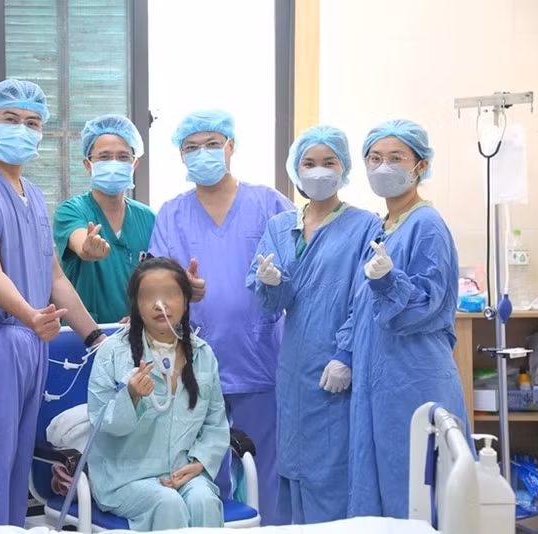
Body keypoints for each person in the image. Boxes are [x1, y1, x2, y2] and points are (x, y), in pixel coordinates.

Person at [0, 79, 104, 527]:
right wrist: (29, 315)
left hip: (32, 341)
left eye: (32, 122)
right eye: (11, 119)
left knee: (17, 467)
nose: (22, 129)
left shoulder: (31, 192)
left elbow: (54, 277)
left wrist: (95, 337)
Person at [149, 110, 294, 525]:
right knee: (202, 469)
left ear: (231, 146)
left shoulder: (268, 203)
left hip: (258, 356)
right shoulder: (172, 213)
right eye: (191, 147)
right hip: (196, 362)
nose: (203, 153)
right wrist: (183, 289)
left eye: (212, 144)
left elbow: (299, 264)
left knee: (267, 466)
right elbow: (156, 284)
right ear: (180, 155)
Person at [246, 126, 381, 524]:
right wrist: (271, 283)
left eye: (328, 162)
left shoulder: (365, 226)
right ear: (295, 169)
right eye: (309, 163)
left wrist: (346, 355)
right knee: (293, 466)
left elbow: (366, 299)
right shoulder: (280, 226)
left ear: (344, 168)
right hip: (293, 367)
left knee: (332, 470)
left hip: (335, 365)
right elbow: (271, 304)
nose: (319, 171)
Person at [345, 119, 471, 518]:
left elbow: (427, 305)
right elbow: (363, 308)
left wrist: (389, 283)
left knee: (420, 490)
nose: (383, 167)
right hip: (380, 380)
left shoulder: (426, 225)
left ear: (421, 165)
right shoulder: (383, 227)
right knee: (382, 487)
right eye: (375, 158)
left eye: (396, 158)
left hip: (413, 379)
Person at [87, 256, 229, 531]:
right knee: (167, 503)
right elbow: (101, 423)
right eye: (148, 295)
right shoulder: (112, 353)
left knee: (203, 500)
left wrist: (200, 462)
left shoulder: (203, 355)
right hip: (124, 477)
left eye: (169, 294)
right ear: (135, 304)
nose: (159, 304)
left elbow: (215, 423)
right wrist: (131, 396)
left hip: (181, 470)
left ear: (185, 301)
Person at [53, 114, 155, 323]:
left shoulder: (148, 218)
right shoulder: (71, 211)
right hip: (82, 333)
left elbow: (158, 278)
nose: (114, 163)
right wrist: (87, 248)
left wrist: (142, 314)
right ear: (88, 164)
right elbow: (81, 242)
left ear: (134, 163)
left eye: (123, 157)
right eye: (105, 157)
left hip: (134, 332)